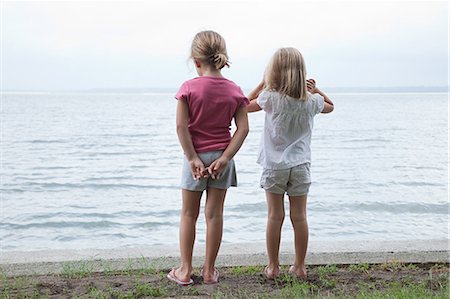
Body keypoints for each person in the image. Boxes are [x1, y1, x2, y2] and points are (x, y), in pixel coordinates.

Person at [167, 30, 249, 286]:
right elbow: (243, 129)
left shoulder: (188, 88)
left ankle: (184, 270)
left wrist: (192, 158)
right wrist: (225, 158)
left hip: (196, 158)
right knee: (214, 215)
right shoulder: (234, 90)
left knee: (188, 214)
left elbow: (181, 127)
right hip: (221, 160)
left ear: (196, 60)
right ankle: (209, 270)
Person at [246, 47, 334, 280]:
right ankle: (300, 266)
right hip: (301, 166)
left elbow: (243, 105)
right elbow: (331, 106)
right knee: (300, 217)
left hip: (274, 167)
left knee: (275, 216)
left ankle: (273, 267)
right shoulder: (312, 102)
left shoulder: (270, 98)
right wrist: (316, 90)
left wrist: (262, 83)